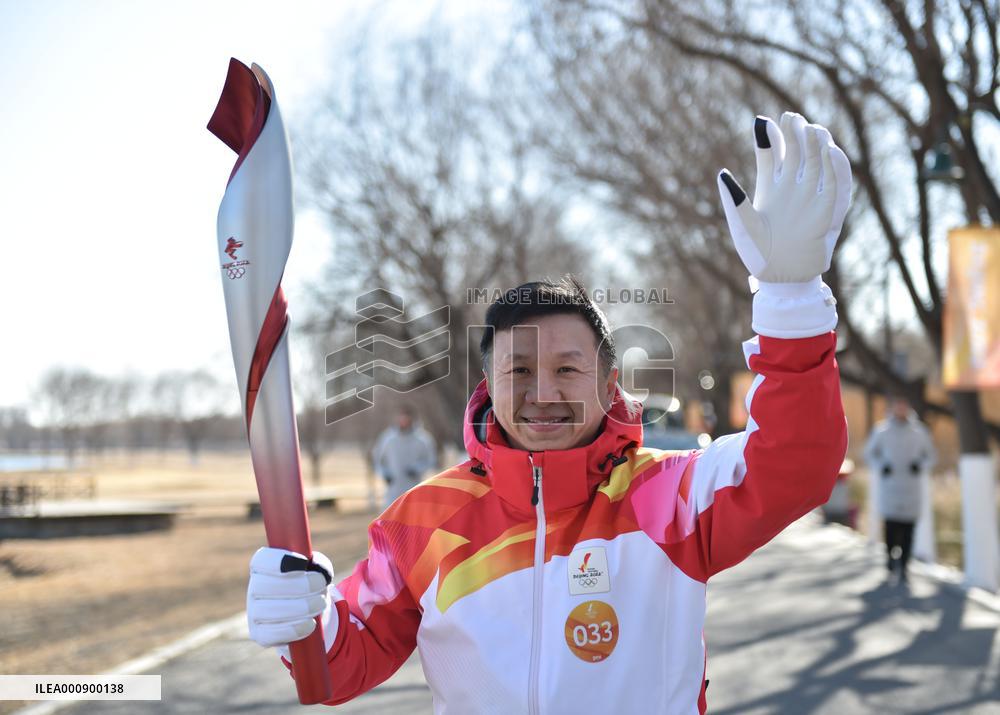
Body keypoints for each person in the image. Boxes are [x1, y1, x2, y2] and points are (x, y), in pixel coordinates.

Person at [244, 112, 852, 713]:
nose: (543, 393)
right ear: (489, 382)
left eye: (567, 370)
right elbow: (342, 663)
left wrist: (790, 300)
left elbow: (794, 464)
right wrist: (305, 620)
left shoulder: (667, 497)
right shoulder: (424, 522)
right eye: (519, 372)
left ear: (609, 382)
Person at [864, 395, 937, 584]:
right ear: (893, 408)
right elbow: (870, 453)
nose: (901, 409)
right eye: (898, 406)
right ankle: (890, 559)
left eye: (904, 406)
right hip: (890, 486)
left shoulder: (919, 432)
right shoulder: (882, 431)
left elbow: (931, 456)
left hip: (911, 487)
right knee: (891, 527)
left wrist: (919, 465)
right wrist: (882, 466)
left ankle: (904, 566)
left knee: (908, 529)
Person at [371, 405, 438, 508]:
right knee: (391, 519)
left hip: (414, 488)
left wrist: (417, 468)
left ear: (412, 419)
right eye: (401, 418)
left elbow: (431, 460)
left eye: (406, 418)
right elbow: (377, 460)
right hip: (393, 490)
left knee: (413, 519)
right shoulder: (388, 438)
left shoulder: (423, 439)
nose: (403, 421)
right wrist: (385, 474)